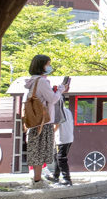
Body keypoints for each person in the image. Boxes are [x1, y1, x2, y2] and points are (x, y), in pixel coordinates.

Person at [24, 54, 60, 188]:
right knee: (42, 150)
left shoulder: (32, 81)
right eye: (48, 64)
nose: (50, 67)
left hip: (34, 121)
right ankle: (38, 181)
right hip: (44, 121)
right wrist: (61, 89)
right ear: (42, 66)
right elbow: (52, 99)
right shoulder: (43, 82)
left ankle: (37, 179)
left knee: (36, 150)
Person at [46, 76, 73, 186]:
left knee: (61, 158)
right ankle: (55, 176)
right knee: (57, 156)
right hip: (69, 137)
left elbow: (56, 125)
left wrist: (48, 133)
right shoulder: (66, 110)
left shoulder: (57, 109)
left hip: (62, 138)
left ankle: (67, 179)